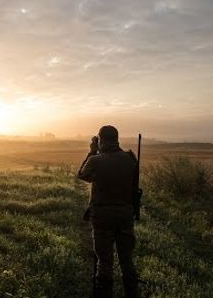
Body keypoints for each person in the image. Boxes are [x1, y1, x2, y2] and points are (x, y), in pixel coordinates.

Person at [77, 125, 140, 298]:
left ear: (101, 139)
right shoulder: (130, 158)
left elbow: (82, 175)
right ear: (117, 138)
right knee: (126, 259)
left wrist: (92, 152)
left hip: (102, 216)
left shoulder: (96, 160)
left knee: (104, 262)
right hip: (125, 215)